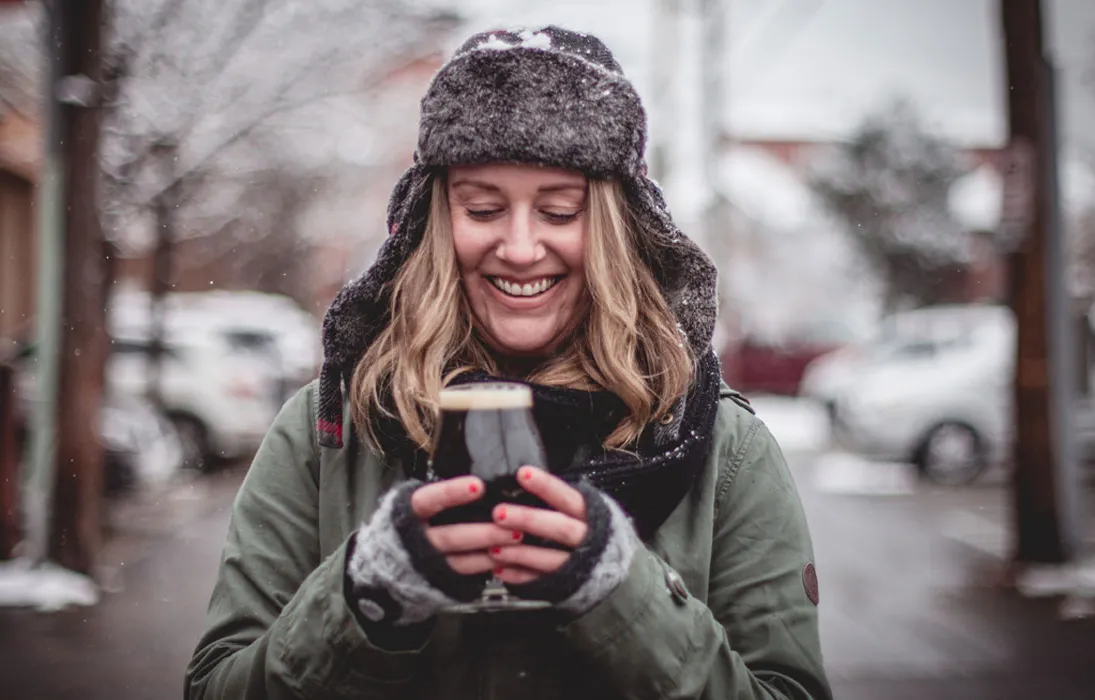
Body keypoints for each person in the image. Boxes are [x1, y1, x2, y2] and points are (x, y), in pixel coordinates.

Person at [186, 25, 832, 700]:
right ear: (435, 222)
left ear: (616, 227)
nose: (520, 248)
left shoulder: (719, 449)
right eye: (484, 208)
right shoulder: (330, 433)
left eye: (560, 211)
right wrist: (363, 598)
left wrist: (625, 598)